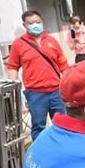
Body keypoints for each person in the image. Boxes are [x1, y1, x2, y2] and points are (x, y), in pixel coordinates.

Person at [7, 10, 69, 140]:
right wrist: (13, 89)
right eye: (31, 23)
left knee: (63, 125)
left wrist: (70, 84)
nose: (35, 25)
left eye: (38, 22)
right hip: (35, 94)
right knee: (38, 127)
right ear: (24, 25)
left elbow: (63, 64)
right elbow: (12, 66)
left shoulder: (52, 40)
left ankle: (64, 150)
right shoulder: (19, 44)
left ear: (42, 22)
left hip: (57, 92)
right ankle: (41, 154)